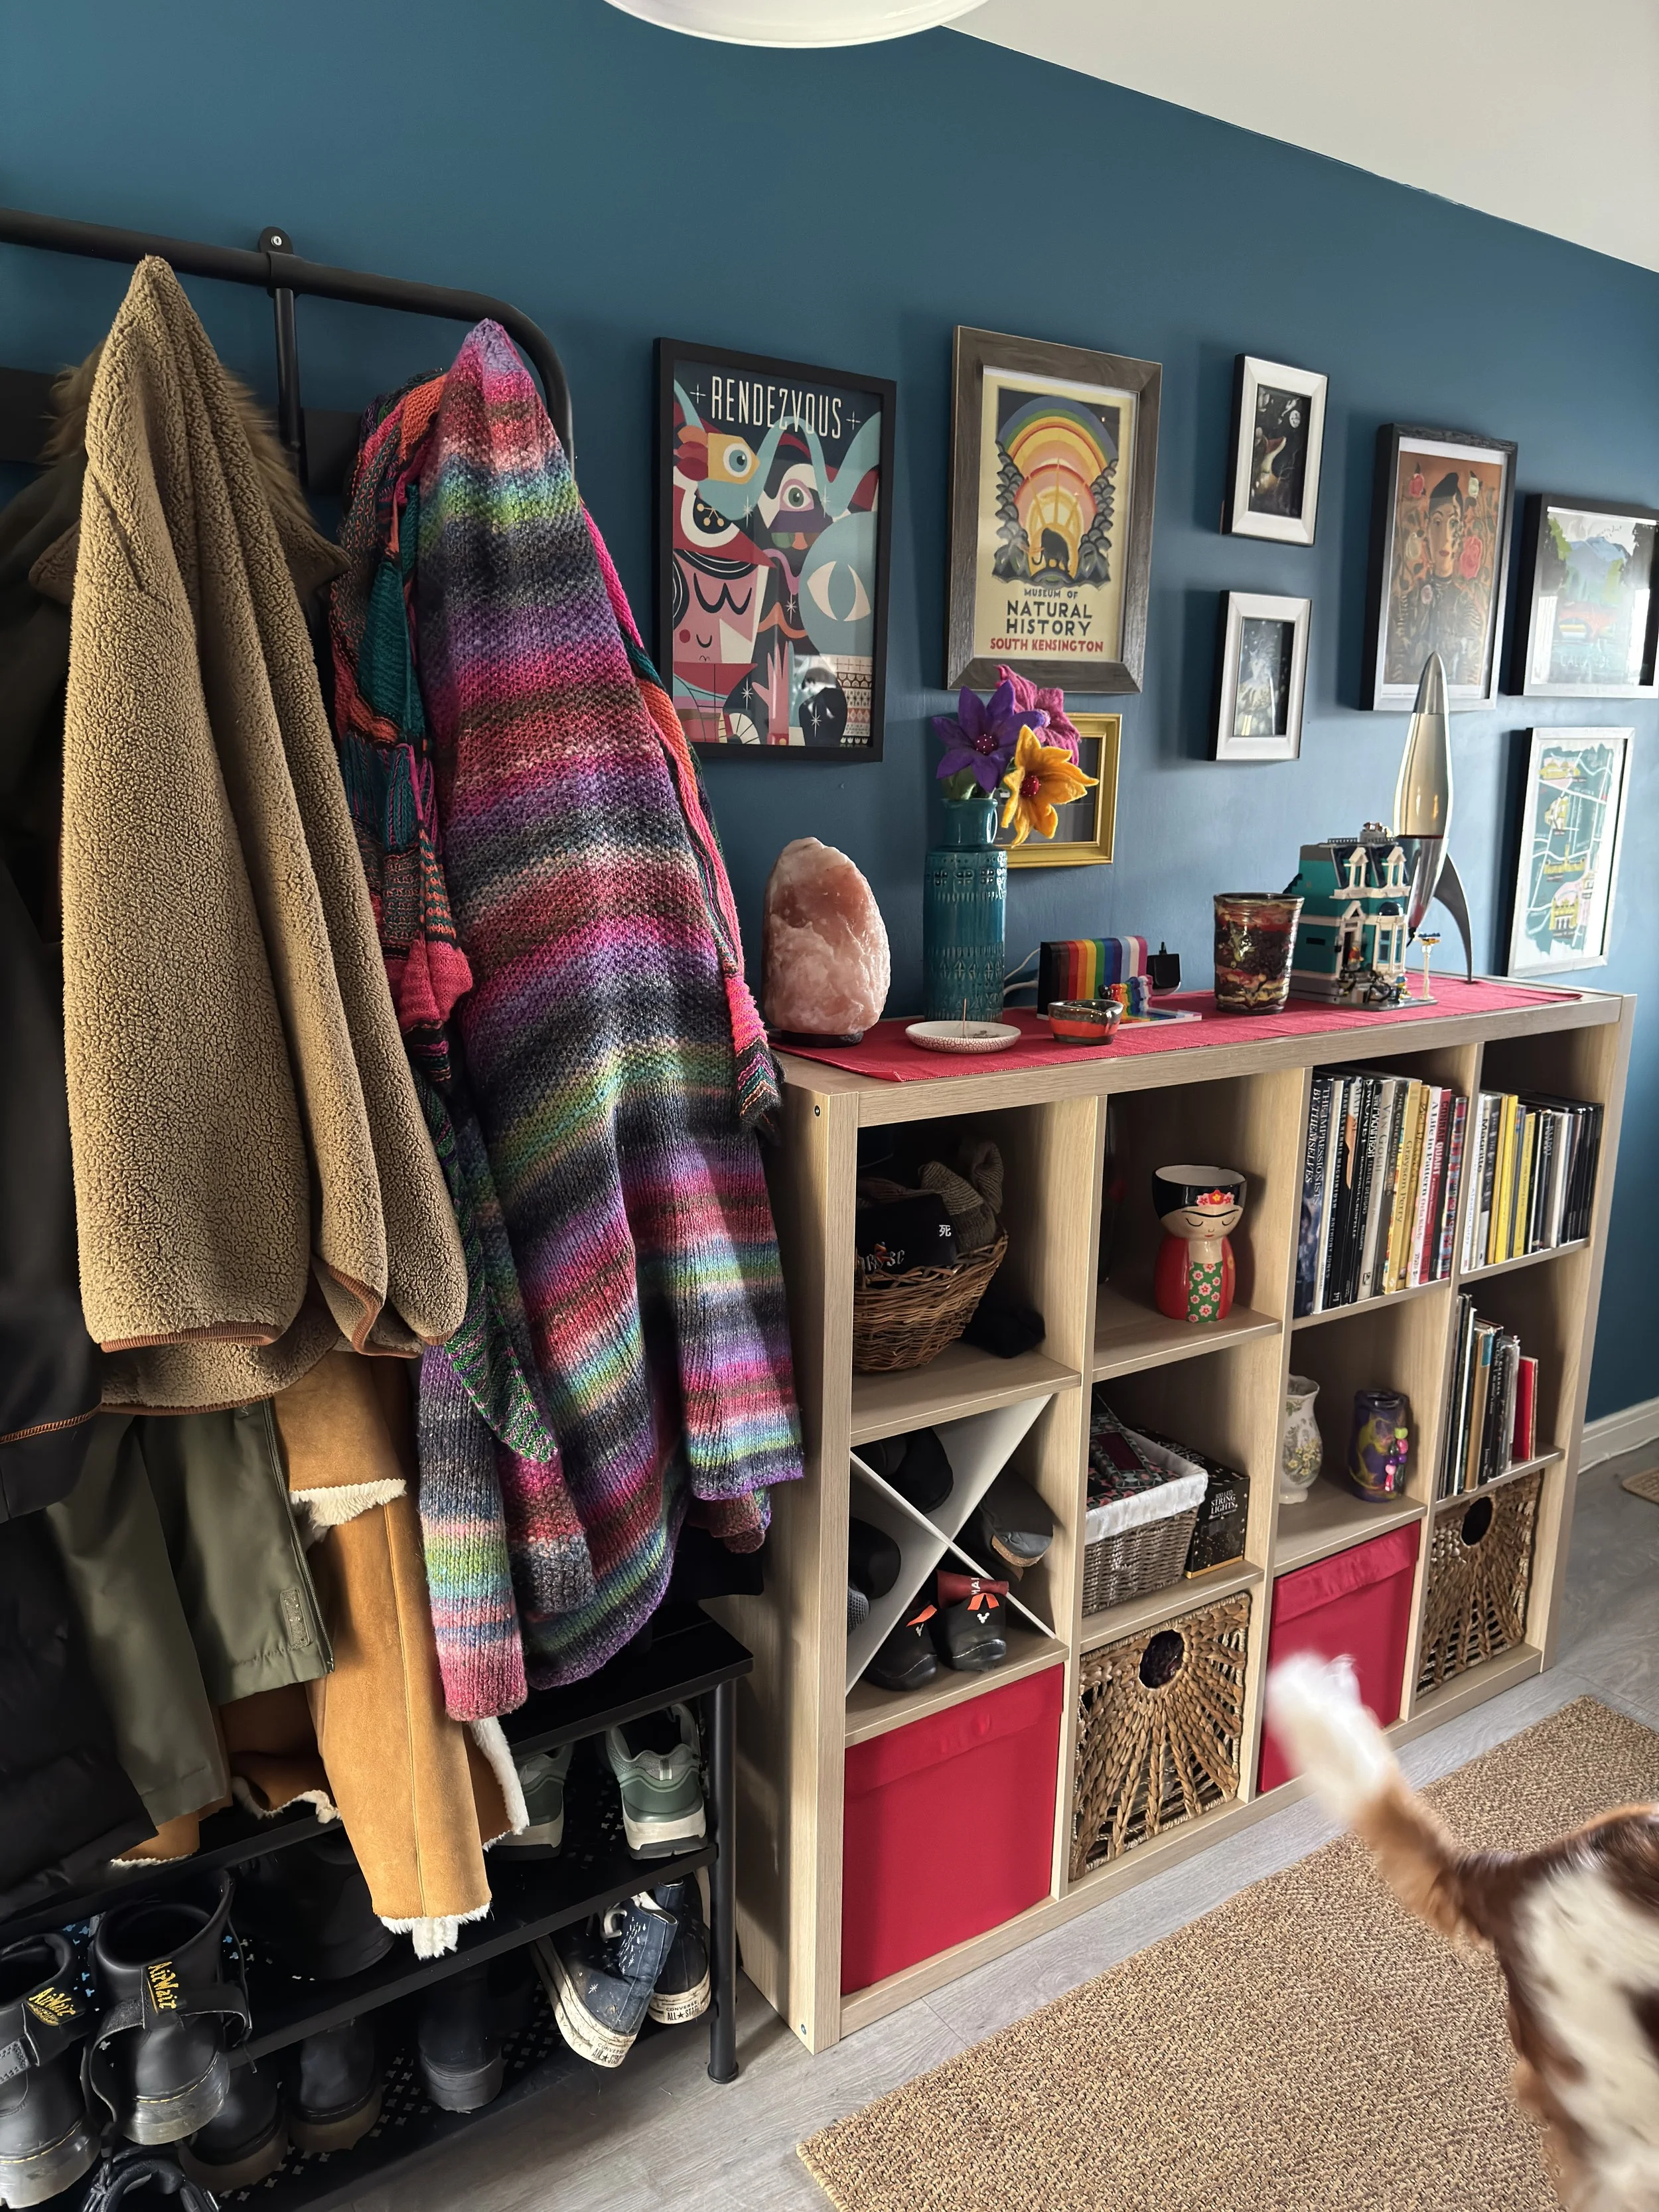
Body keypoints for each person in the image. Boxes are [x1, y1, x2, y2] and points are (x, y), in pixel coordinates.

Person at [1388, 469, 1488, 686]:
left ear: (1461, 534)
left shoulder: (1467, 608)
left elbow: (1470, 677)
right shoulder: (1407, 602)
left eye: (1452, 524)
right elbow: (1395, 670)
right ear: (1427, 530)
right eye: (1437, 522)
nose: (1444, 536)